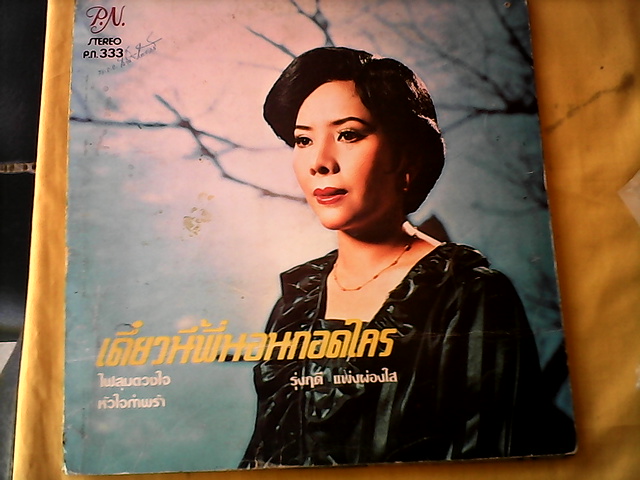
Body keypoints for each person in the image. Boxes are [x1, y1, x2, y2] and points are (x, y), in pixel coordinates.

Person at [240, 47, 549, 468]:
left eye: (348, 135)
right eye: (303, 140)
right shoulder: (296, 301)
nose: (320, 162)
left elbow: (495, 460)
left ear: (407, 156)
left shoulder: (468, 293)